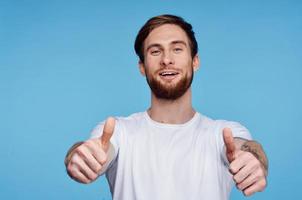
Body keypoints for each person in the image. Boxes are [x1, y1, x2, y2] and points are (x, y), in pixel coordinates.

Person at [64, 14, 268, 200]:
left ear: (195, 61)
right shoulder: (117, 131)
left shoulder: (224, 134)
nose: (166, 60)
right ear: (142, 67)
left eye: (177, 49)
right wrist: (78, 156)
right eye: (155, 51)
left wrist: (254, 159)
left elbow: (247, 149)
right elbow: (96, 151)